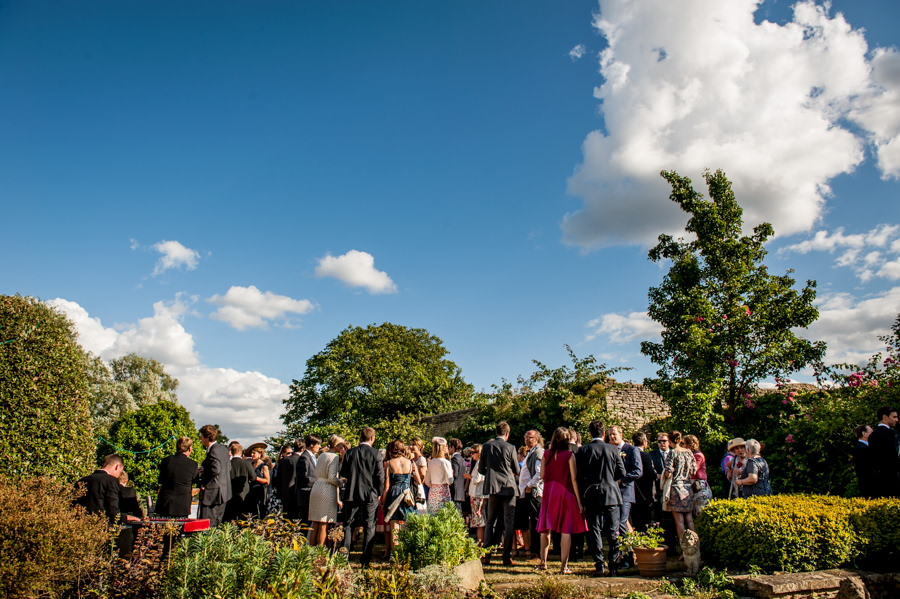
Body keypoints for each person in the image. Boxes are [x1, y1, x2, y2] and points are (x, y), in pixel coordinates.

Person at [576, 420, 625, 576]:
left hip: (592, 493)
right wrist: (610, 478)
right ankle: (614, 563)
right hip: (611, 492)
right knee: (613, 530)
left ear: (590, 434)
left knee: (594, 530)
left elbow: (580, 475)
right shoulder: (613, 449)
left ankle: (599, 563)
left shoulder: (583, 450)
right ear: (604, 433)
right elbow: (622, 472)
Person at [536, 428, 587, 575]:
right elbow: (574, 478)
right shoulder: (570, 455)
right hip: (566, 492)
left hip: (549, 493)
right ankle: (564, 566)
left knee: (545, 529)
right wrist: (579, 501)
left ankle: (543, 562)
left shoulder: (546, 454)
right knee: (566, 530)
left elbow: (542, 474)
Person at [340, 427, 385, 567]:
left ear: (360, 437)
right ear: (372, 438)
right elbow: (380, 476)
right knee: (369, 525)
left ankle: (344, 556)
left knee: (348, 525)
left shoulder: (350, 453)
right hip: (370, 494)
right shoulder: (376, 453)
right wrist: (379, 492)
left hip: (351, 492)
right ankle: (365, 559)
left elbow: (344, 473)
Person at [479, 421, 520, 566]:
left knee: (490, 521)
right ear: (507, 434)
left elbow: (480, 469)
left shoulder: (487, 446)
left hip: (493, 487)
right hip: (508, 486)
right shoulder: (510, 447)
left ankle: (486, 554)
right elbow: (516, 468)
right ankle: (506, 556)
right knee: (509, 523)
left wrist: (490, 474)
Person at [381, 439, 420, 559]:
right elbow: (419, 481)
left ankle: (395, 554)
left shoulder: (389, 463)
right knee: (408, 523)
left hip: (394, 493)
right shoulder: (411, 463)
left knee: (395, 525)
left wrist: (383, 501)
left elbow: (386, 485)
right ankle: (408, 552)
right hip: (407, 493)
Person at [661, 431, 697, 548]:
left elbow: (668, 473)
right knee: (689, 519)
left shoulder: (672, 453)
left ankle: (684, 548)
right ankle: (695, 545)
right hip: (687, 488)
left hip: (676, 488)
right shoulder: (688, 452)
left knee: (679, 521)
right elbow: (694, 470)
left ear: (670, 441)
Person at [607, 425, 642, 540]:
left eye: (614, 434)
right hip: (611, 492)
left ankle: (627, 551)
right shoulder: (609, 450)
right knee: (615, 522)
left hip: (625, 490)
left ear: (621, 435)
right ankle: (622, 550)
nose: (612, 437)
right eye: (610, 435)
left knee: (622, 521)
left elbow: (638, 471)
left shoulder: (631, 450)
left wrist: (621, 480)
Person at [309, 435, 344, 546]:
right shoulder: (334, 457)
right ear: (336, 445)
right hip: (327, 489)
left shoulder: (322, 455)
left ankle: (311, 549)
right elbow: (331, 478)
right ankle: (321, 551)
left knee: (315, 522)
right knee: (324, 522)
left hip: (317, 486)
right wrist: (341, 482)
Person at [74, 453, 125, 524]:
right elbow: (112, 510)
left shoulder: (82, 480)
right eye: (120, 472)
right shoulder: (111, 481)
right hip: (100, 525)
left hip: (80, 525)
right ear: (117, 466)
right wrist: (125, 518)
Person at [155, 437, 199, 518]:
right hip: (182, 505)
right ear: (189, 448)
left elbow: (161, 480)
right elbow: (195, 481)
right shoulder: (193, 464)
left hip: (165, 503)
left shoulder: (166, 461)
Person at [517, 429, 543, 559]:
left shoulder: (538, 452)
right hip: (527, 492)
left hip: (533, 492)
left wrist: (529, 485)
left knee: (535, 521)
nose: (528, 439)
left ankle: (537, 551)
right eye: (526, 437)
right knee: (530, 521)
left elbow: (539, 473)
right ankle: (532, 548)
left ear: (536, 439)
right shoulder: (530, 452)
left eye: (531, 437)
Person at [198, 424, 232, 527]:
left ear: (206, 437)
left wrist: (204, 481)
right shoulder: (223, 449)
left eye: (201, 437)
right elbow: (228, 467)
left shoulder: (213, 450)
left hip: (212, 493)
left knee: (207, 525)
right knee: (217, 523)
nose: (201, 440)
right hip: (224, 492)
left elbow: (216, 469)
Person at [648, 431, 676, 553]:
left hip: (671, 490)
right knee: (660, 518)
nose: (661, 443)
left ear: (669, 442)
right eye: (659, 441)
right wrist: (658, 476)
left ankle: (672, 545)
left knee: (671, 520)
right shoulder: (652, 455)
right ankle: (660, 544)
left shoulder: (674, 454)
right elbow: (650, 470)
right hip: (658, 490)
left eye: (664, 441)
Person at [868, 406, 900, 498]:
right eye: (894, 417)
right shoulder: (891, 433)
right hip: (892, 477)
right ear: (885, 417)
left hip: (877, 478)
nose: (897, 420)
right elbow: (896, 455)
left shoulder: (872, 435)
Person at [630, 432, 655, 532]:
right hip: (645, 492)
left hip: (633, 491)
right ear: (645, 443)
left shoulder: (630, 455)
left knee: (635, 518)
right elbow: (651, 473)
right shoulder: (645, 456)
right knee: (645, 520)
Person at [225, 441, 254, 521]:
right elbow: (253, 477)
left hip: (230, 493)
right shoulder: (246, 464)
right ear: (241, 452)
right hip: (244, 493)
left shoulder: (228, 464)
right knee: (242, 517)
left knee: (231, 517)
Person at [424, 437, 454, 514]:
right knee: (443, 515)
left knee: (433, 515)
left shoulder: (431, 462)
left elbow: (427, 481)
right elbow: (449, 481)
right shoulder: (445, 462)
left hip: (433, 491)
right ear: (443, 448)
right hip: (443, 490)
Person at [683, 435, 712, 515]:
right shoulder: (689, 456)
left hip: (699, 487)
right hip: (691, 487)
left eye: (683, 444)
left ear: (689, 445)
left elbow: (693, 469)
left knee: (701, 511)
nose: (682, 446)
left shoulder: (698, 456)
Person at [466, 443, 488, 545]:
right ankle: (481, 540)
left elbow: (477, 479)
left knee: (479, 519)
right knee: (480, 518)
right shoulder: (480, 463)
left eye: (473, 452)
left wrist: (469, 476)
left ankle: (480, 541)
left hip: (478, 494)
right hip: (478, 494)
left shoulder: (480, 464)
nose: (471, 455)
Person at [296, 435, 320, 524]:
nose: (320, 446)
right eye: (318, 444)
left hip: (311, 494)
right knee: (305, 523)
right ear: (311, 445)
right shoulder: (304, 458)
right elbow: (303, 478)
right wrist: (319, 481)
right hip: (306, 495)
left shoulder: (312, 457)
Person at [274, 442, 299, 518]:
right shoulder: (280, 463)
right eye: (288, 453)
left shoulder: (290, 461)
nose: (290, 455)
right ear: (282, 453)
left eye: (291, 453)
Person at [853, 424, 874, 498]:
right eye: (871, 432)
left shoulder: (862, 447)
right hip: (867, 482)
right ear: (864, 433)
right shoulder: (862, 448)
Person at [249, 446, 271, 517]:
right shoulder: (251, 465)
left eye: (254, 453)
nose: (251, 455)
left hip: (260, 492)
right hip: (252, 492)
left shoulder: (263, 466)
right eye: (251, 453)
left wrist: (256, 478)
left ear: (260, 454)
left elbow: (267, 481)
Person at [408, 438, 428, 513]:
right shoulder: (411, 459)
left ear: (419, 447)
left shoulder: (421, 459)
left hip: (417, 486)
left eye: (413, 445)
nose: (411, 447)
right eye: (410, 445)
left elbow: (422, 476)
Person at [448, 438, 467, 514]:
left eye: (449, 447)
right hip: (460, 491)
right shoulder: (462, 459)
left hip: (454, 490)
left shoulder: (454, 459)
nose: (449, 449)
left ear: (452, 447)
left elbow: (455, 474)